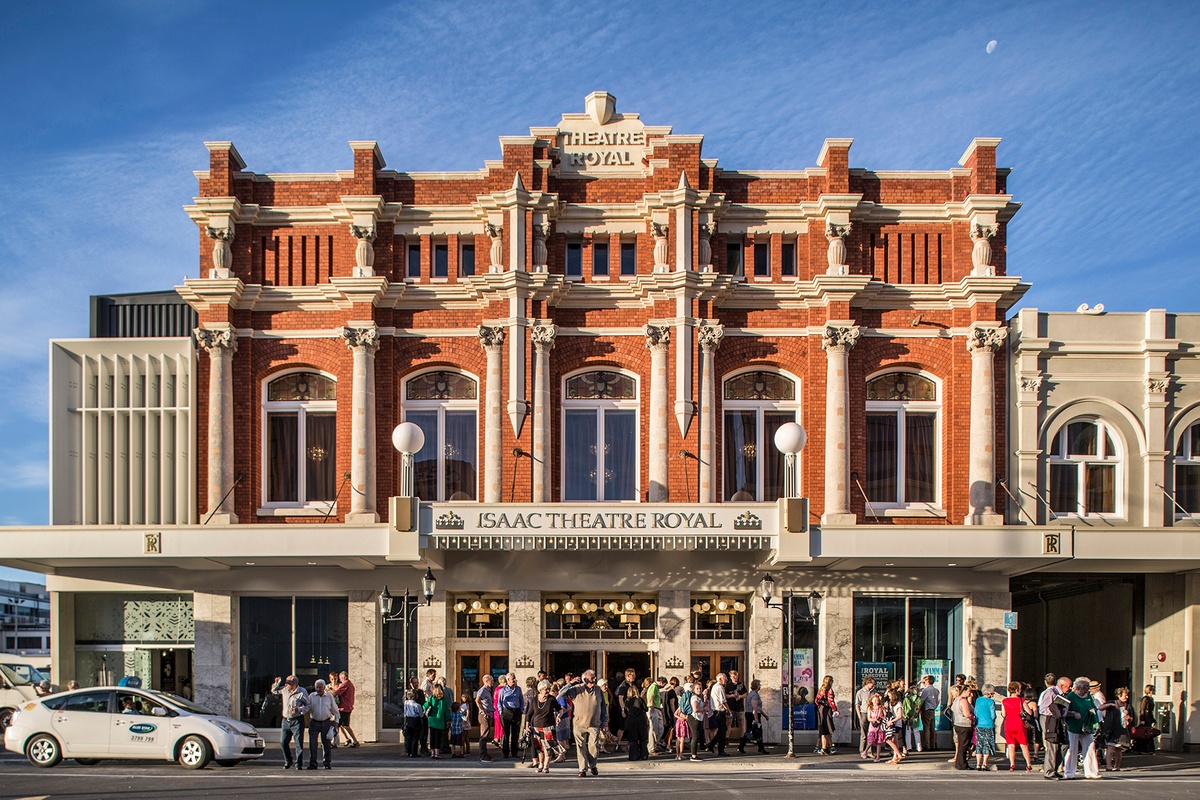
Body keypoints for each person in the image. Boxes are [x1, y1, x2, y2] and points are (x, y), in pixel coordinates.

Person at [559, 670, 604, 777]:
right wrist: (570, 684)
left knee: (594, 746)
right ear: (585, 679)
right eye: (591, 678)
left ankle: (593, 765)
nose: (593, 680)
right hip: (579, 723)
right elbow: (561, 694)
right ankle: (582, 769)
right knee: (580, 747)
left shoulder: (598, 690)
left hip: (594, 723)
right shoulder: (577, 689)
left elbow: (602, 707)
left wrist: (604, 720)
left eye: (594, 678)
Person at [1063, 677, 1100, 780]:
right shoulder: (1071, 696)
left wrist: (1092, 711)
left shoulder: (1088, 696)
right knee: (1073, 748)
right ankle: (1069, 772)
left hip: (1086, 725)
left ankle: (1091, 771)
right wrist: (1073, 713)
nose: (1088, 689)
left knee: (1090, 747)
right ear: (1080, 688)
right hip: (1073, 725)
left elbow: (1093, 706)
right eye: (1086, 687)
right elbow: (1064, 711)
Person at [272, 675, 310, 769]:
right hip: (286, 720)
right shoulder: (284, 690)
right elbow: (274, 691)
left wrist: (299, 709)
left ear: (294, 683)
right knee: (283, 742)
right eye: (285, 682)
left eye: (288, 683)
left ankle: (298, 764)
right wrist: (277, 683)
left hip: (297, 720)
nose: (286, 684)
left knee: (298, 744)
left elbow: (308, 705)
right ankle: (288, 760)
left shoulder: (302, 692)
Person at [1039, 674, 1070, 779]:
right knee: (1053, 744)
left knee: (1064, 744)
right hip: (1050, 719)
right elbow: (1043, 709)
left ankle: (1055, 768)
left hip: (1059, 720)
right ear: (1061, 686)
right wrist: (1057, 712)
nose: (1069, 689)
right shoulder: (1051, 692)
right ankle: (1049, 771)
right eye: (1068, 686)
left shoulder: (1061, 694)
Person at [526, 679, 558, 773]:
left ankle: (546, 766)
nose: (547, 691)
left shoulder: (551, 699)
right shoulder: (534, 700)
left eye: (548, 689)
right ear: (540, 689)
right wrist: (527, 726)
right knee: (539, 748)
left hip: (548, 727)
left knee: (548, 747)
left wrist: (558, 717)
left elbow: (560, 709)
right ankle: (540, 763)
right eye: (545, 689)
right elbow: (529, 714)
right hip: (537, 727)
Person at [307, 679, 340, 770]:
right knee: (313, 744)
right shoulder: (311, 696)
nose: (318, 689)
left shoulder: (329, 697)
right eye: (317, 687)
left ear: (324, 687)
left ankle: (327, 763)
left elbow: (335, 711)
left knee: (326, 744)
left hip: (326, 722)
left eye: (320, 687)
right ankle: (313, 763)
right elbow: (307, 707)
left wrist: (336, 723)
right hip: (314, 722)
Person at [999, 680, 1032, 771]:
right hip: (1019, 723)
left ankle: (1012, 764)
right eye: (1020, 689)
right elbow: (1029, 712)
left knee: (1011, 745)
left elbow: (1003, 714)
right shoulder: (1021, 700)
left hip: (1009, 724)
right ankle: (1028, 764)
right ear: (1017, 690)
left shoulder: (1005, 701)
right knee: (1024, 745)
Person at [497, 673, 524, 758]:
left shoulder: (518, 689)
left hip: (516, 711)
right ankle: (505, 752)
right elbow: (499, 702)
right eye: (513, 679)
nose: (514, 680)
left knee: (515, 733)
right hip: (506, 712)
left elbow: (521, 700)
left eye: (515, 678)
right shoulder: (503, 690)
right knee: (506, 733)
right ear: (508, 680)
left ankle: (514, 752)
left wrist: (521, 709)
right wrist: (501, 712)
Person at [951, 681, 975, 770]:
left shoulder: (956, 700)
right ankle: (962, 764)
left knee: (961, 745)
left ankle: (959, 763)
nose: (970, 693)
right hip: (965, 725)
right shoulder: (963, 700)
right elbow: (966, 714)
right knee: (964, 746)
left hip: (957, 724)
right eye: (969, 691)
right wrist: (973, 716)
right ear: (964, 691)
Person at [973, 684, 998, 770]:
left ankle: (978, 764)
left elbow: (975, 711)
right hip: (988, 724)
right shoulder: (991, 702)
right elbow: (993, 715)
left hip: (979, 723)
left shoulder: (978, 700)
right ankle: (984, 764)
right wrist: (993, 720)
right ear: (990, 693)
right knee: (987, 744)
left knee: (979, 744)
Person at [334, 670, 360, 748]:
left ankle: (335, 743)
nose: (340, 680)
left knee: (336, 725)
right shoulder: (351, 684)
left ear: (344, 677)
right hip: (348, 707)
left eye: (340, 678)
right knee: (346, 725)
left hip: (343, 708)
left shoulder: (345, 684)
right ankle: (355, 741)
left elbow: (336, 693)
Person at [814, 675, 840, 755]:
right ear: (830, 682)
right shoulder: (829, 690)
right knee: (827, 729)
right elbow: (831, 701)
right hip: (826, 710)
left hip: (821, 709)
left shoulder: (821, 689)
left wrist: (820, 706)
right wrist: (835, 710)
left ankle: (824, 748)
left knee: (823, 730)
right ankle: (826, 748)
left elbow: (816, 700)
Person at [707, 673, 731, 755]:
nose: (726, 680)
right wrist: (728, 710)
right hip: (719, 711)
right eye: (725, 678)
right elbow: (723, 701)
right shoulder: (720, 687)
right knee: (722, 731)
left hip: (716, 711)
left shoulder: (715, 686)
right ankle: (721, 750)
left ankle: (711, 745)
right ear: (720, 679)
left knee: (722, 730)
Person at [423, 684, 450, 760]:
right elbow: (446, 712)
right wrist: (448, 720)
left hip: (432, 720)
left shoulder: (431, 698)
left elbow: (425, 706)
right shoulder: (444, 700)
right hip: (440, 721)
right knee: (438, 738)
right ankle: (437, 753)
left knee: (432, 737)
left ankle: (432, 753)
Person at [624, 684, 649, 760]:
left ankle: (633, 756)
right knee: (642, 738)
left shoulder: (627, 701)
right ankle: (644, 755)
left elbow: (626, 711)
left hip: (632, 720)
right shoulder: (640, 699)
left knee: (633, 739)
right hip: (641, 719)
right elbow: (646, 709)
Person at [856, 676, 878, 758]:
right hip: (864, 713)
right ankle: (862, 751)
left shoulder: (874, 691)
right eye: (872, 683)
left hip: (872, 713)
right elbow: (857, 704)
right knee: (864, 734)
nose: (873, 685)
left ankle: (869, 751)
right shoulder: (860, 692)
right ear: (867, 683)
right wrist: (859, 716)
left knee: (871, 733)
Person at [475, 673, 495, 762]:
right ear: (486, 681)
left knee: (486, 735)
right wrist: (484, 711)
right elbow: (477, 700)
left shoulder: (488, 690)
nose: (493, 682)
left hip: (489, 714)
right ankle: (483, 755)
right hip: (484, 715)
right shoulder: (482, 690)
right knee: (484, 735)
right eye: (491, 681)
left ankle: (485, 754)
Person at [1133, 684, 1157, 753]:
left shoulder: (1151, 699)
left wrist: (1153, 719)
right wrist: (1142, 719)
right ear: (1150, 691)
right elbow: (1142, 709)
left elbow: (1150, 711)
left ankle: (1146, 749)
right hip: (1145, 718)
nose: (1154, 691)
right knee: (1145, 733)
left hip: (1149, 718)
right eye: (1153, 690)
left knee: (1148, 733)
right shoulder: (1145, 699)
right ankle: (1145, 749)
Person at [727, 669, 746, 753]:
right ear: (731, 677)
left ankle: (741, 740)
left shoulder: (741, 685)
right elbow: (725, 695)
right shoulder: (728, 685)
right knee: (729, 722)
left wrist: (740, 696)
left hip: (739, 707)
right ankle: (726, 739)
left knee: (741, 723)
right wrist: (732, 695)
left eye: (736, 676)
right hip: (731, 706)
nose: (735, 678)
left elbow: (746, 693)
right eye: (733, 676)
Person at [746, 679, 767, 754]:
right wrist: (756, 718)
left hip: (750, 713)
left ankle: (741, 745)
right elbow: (754, 707)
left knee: (751, 730)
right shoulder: (755, 695)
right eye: (759, 685)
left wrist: (764, 715)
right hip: (753, 714)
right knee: (758, 731)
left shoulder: (751, 694)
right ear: (757, 686)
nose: (760, 686)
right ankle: (761, 748)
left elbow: (758, 707)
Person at [918, 675, 939, 752]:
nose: (923, 683)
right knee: (932, 728)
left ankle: (927, 745)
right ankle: (933, 744)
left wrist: (918, 708)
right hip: (932, 709)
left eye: (924, 682)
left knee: (926, 728)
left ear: (928, 681)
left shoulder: (926, 690)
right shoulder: (936, 690)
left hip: (926, 709)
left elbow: (921, 700)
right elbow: (937, 701)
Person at [687, 680, 706, 761]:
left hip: (698, 718)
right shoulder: (694, 698)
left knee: (696, 736)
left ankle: (694, 754)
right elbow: (695, 709)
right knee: (695, 736)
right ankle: (693, 756)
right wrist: (704, 709)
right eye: (697, 688)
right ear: (694, 689)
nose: (699, 690)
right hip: (694, 718)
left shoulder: (698, 697)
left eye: (700, 688)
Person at [647, 676, 665, 755]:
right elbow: (651, 699)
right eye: (664, 684)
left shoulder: (656, 688)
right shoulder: (654, 687)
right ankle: (651, 748)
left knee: (660, 729)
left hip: (657, 709)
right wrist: (652, 710)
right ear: (661, 682)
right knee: (653, 730)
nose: (663, 686)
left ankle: (654, 744)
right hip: (653, 709)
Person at [403, 690, 423, 757]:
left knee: (409, 737)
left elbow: (405, 711)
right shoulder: (417, 705)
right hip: (415, 720)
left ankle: (408, 752)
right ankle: (414, 753)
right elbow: (421, 714)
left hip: (408, 719)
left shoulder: (406, 703)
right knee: (415, 737)